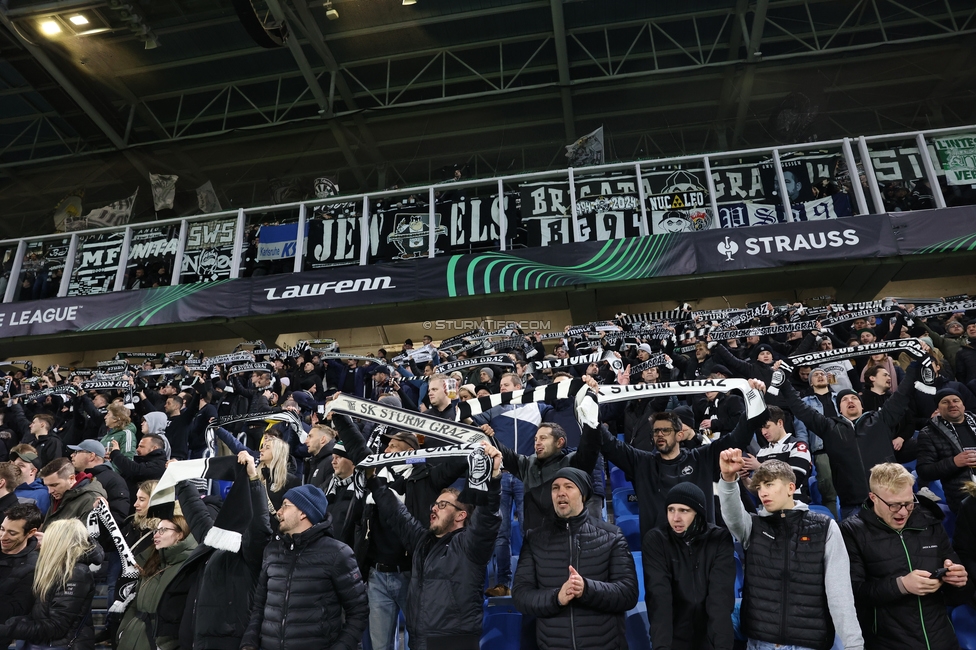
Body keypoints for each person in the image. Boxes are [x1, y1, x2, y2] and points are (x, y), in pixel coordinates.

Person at [717, 450, 864, 650]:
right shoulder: (753, 526)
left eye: (769, 484)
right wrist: (727, 479)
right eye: (759, 487)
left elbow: (840, 593)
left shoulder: (825, 527)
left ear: (791, 487)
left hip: (808, 644)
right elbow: (732, 514)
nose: (763, 492)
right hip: (762, 643)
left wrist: (853, 645)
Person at [367, 443, 502, 650]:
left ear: (461, 515)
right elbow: (396, 513)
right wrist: (373, 481)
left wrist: (492, 479)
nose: (434, 508)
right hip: (419, 640)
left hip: (454, 643)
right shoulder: (423, 542)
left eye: (442, 505)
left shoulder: (470, 544)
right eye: (434, 504)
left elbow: (488, 516)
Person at [595, 379, 768, 540]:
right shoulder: (641, 462)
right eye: (656, 431)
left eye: (666, 431)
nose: (660, 434)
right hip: (659, 552)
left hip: (702, 547)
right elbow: (608, 444)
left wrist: (755, 396)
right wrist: (589, 403)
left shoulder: (703, 457)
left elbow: (739, 437)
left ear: (679, 435)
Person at [842, 463, 972, 650]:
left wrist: (959, 581)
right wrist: (902, 585)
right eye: (894, 505)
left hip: (942, 639)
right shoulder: (852, 532)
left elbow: (958, 596)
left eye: (908, 503)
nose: (903, 512)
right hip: (888, 642)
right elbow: (854, 594)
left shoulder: (930, 522)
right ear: (873, 498)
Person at [512, 467, 639, 650]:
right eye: (555, 488)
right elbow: (521, 596)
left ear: (584, 495)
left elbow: (628, 594)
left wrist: (586, 588)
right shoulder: (534, 540)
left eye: (568, 486)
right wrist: (557, 597)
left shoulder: (612, 536)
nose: (560, 493)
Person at [780, 363, 919, 520]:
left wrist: (914, 367)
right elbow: (800, 408)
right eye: (844, 399)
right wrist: (784, 383)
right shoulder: (828, 426)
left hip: (890, 499)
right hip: (852, 504)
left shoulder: (881, 419)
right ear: (839, 408)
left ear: (861, 404)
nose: (850, 401)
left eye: (854, 398)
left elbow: (901, 395)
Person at [240, 484, 369, 650]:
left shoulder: (338, 553)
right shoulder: (272, 551)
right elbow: (259, 606)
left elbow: (358, 612)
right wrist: (249, 642)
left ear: (303, 512)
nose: (278, 512)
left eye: (285, 505)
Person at [487, 421, 600, 597]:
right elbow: (505, 454)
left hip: (565, 549)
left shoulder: (574, 463)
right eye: (535, 439)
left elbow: (590, 448)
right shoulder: (527, 464)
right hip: (533, 550)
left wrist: (591, 419)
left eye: (543, 438)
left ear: (560, 442)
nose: (537, 443)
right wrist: (489, 436)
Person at [173, 452, 272, 650]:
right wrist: (180, 479)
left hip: (231, 642)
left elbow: (260, 528)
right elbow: (197, 514)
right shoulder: (214, 541)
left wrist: (253, 480)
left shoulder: (252, 552)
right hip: (198, 639)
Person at [643, 483, 735, 650]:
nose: (675, 518)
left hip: (709, 636)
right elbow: (659, 598)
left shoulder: (719, 539)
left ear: (698, 513)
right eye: (671, 509)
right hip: (673, 637)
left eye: (684, 510)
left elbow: (720, 600)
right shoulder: (656, 540)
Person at [0, 518, 103, 650]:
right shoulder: (59, 568)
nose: (42, 541)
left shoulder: (75, 573)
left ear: (57, 541)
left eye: (48, 537)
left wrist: (8, 628)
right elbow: (42, 614)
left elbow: (56, 626)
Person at [116, 515, 197, 650]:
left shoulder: (189, 568)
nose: (156, 535)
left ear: (180, 535)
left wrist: (167, 645)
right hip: (131, 639)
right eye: (156, 531)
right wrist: (123, 631)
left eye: (163, 530)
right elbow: (135, 605)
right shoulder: (152, 562)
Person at [917, 387, 976, 513]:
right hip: (963, 496)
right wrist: (954, 462)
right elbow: (924, 471)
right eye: (945, 402)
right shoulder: (928, 433)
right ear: (938, 409)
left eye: (956, 400)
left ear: (963, 405)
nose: (952, 404)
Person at [0, 502, 43, 645]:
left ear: (31, 532)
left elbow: (16, 610)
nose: (3, 537)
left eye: (12, 533)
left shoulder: (33, 567)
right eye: (2, 529)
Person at [752, 405, 812, 502]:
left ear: (780, 423)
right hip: (767, 506)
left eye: (767, 427)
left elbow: (793, 480)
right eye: (761, 429)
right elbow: (758, 489)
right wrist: (743, 478)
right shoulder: (761, 451)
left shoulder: (798, 446)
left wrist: (759, 466)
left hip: (793, 503)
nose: (763, 432)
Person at [68, 439, 130, 524]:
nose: (72, 455)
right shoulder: (79, 477)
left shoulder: (113, 480)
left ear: (91, 456)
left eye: (77, 452)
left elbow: (118, 516)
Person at [40, 456, 107, 529]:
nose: (50, 491)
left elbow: (85, 537)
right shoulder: (58, 494)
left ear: (71, 478)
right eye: (47, 486)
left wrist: (49, 539)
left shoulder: (91, 499)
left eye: (54, 485)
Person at [107, 433, 168, 500]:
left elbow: (135, 470)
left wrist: (115, 454)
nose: (137, 449)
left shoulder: (161, 465)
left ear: (154, 448)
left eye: (141, 446)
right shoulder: (141, 462)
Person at [10, 446, 51, 514]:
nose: (15, 468)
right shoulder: (6, 487)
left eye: (21, 465)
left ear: (32, 471)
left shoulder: (42, 495)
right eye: (14, 465)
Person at [304, 424, 336, 489]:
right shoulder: (316, 461)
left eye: (310, 436)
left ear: (322, 439)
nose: (306, 441)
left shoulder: (332, 462)